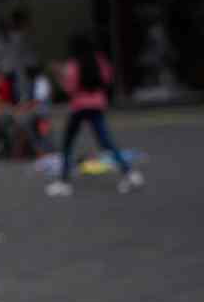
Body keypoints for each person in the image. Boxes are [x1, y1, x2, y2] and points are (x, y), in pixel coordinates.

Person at [46, 35, 145, 197]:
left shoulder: (74, 64)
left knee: (68, 144)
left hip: (79, 106)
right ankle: (129, 173)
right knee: (106, 142)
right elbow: (107, 79)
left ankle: (63, 181)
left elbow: (70, 89)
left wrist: (59, 75)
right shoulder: (99, 60)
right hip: (97, 104)